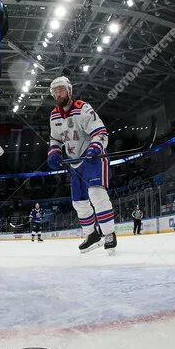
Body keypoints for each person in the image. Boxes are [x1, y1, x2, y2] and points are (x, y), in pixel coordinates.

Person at [47, 76, 117, 254]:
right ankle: (91, 234)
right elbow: (55, 138)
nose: (57, 93)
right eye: (55, 91)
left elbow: (100, 132)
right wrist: (54, 152)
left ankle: (109, 234)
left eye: (61, 89)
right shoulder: (54, 115)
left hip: (92, 159)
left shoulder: (83, 108)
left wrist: (94, 148)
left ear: (69, 91)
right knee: (79, 202)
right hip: (75, 163)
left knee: (96, 194)